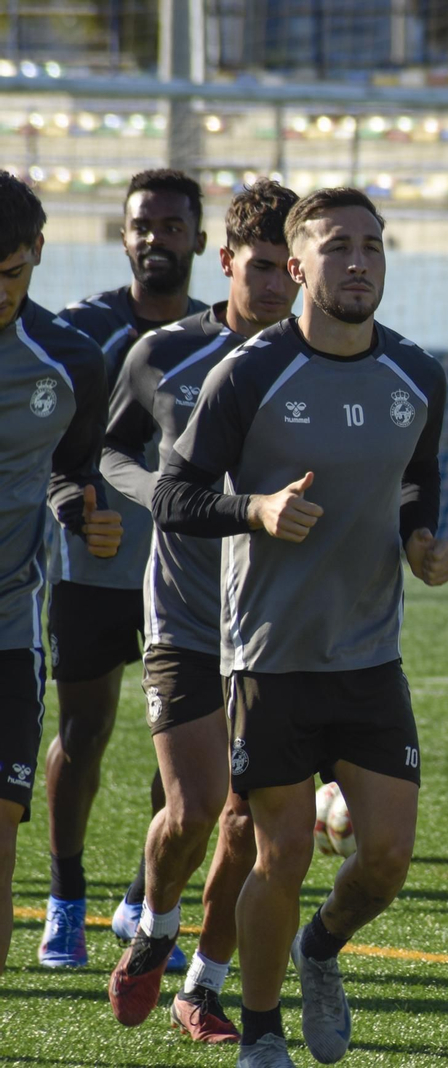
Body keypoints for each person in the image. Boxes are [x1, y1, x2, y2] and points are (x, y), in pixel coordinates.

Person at [151, 186, 448, 1068]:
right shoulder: (248, 372)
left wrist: (421, 539)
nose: (358, 261)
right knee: (278, 850)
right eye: (336, 247)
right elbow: (174, 496)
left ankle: (320, 949)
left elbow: (417, 476)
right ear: (298, 266)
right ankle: (260, 1036)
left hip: (369, 654)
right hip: (269, 656)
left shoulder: (417, 374)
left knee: (389, 856)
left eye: (372, 245)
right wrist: (255, 509)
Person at [103, 178, 300, 1042]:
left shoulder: (320, 362)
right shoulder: (163, 356)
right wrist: (162, 494)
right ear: (224, 263)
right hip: (184, 610)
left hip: (274, 619)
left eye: (285, 270)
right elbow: (108, 451)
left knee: (246, 820)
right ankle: (151, 928)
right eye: (257, 268)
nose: (273, 287)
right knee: (192, 809)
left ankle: (203, 986)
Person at [38, 168, 207, 970]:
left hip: (184, 574)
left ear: (201, 242)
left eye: (172, 226)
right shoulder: (86, 331)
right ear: (124, 235)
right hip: (92, 566)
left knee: (180, 747)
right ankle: (65, 900)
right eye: (143, 225)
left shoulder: (214, 342)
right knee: (85, 732)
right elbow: (50, 442)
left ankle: (144, 901)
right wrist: (74, 509)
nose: (156, 238)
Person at [0, 171, 123, 972]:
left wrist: (85, 512)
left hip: (8, 628)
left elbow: (69, 474)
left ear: (38, 253)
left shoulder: (72, 364)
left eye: (8, 274)